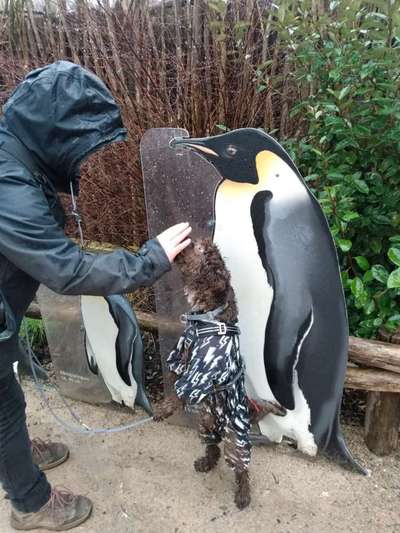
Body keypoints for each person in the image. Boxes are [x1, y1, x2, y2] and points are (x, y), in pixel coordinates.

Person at [0, 61, 192, 531]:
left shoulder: (16, 158)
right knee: (2, 407)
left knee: (6, 396)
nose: (84, 156)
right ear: (53, 130)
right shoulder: (7, 184)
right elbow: (64, 269)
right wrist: (150, 259)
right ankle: (30, 503)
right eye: (78, 142)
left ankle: (16, 456)